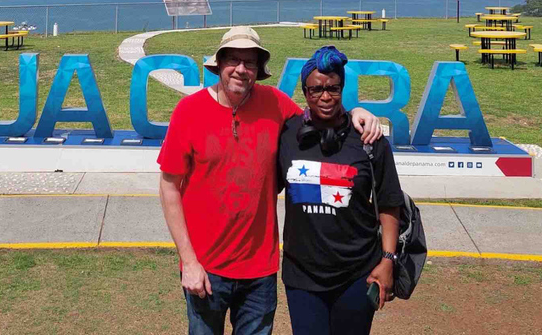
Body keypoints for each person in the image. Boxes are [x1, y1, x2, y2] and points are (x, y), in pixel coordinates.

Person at [158, 27, 382, 335]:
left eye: (249, 62)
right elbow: (169, 187)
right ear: (219, 64)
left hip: (259, 272)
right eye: (233, 59)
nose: (241, 69)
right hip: (206, 269)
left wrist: (357, 110)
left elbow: (320, 113)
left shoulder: (276, 104)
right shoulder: (188, 111)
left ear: (258, 70)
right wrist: (189, 261)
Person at [278, 45, 403, 335]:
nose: (324, 96)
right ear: (304, 92)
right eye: (316, 90)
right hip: (302, 276)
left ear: (342, 88)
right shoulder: (287, 135)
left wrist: (387, 260)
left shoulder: (369, 140)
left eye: (333, 88)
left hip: (357, 275)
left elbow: (389, 203)